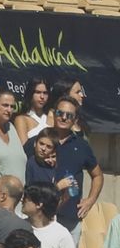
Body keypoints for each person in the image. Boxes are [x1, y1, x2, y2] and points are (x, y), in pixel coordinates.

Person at [30, 95, 101, 230]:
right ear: (53, 113)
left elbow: (98, 175)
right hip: (39, 216)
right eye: (60, 113)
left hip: (70, 220)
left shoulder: (82, 146)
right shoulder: (40, 141)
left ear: (75, 119)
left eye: (69, 115)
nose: (63, 117)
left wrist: (90, 200)